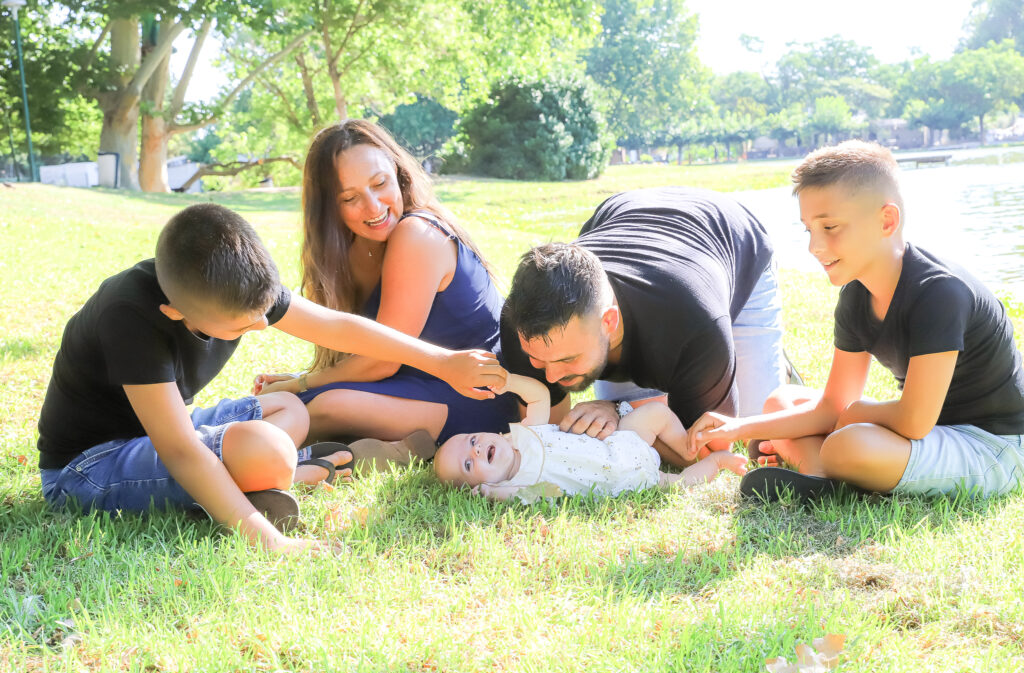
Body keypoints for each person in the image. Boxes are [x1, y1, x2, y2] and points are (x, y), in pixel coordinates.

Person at [36, 203, 506, 555]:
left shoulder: (235, 284)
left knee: (291, 409)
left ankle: (277, 476)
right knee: (264, 447)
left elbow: (339, 327)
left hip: (152, 434)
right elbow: (180, 449)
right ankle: (287, 475)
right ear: (175, 313)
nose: (261, 326)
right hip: (87, 469)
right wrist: (272, 543)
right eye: (243, 326)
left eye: (264, 314)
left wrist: (441, 362)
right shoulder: (130, 317)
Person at [688, 140, 1024, 501]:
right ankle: (823, 474)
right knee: (781, 401)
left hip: (991, 446)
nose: (814, 246)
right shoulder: (856, 295)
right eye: (809, 230)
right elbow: (833, 406)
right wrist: (740, 426)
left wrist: (859, 412)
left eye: (830, 227)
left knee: (848, 444)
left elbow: (913, 420)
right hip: (926, 434)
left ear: (887, 220)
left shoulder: (938, 293)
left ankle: (816, 462)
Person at [254, 119, 516, 452]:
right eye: (350, 199)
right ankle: (391, 445)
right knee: (302, 405)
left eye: (380, 183)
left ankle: (240, 449)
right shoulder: (352, 250)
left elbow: (382, 361)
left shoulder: (416, 234)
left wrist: (299, 385)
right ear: (330, 207)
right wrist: (300, 382)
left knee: (324, 406)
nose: (374, 207)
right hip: (413, 384)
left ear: (398, 172)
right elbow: (366, 351)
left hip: (477, 397)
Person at [500, 187, 784, 467]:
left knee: (759, 442)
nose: (551, 375)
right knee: (627, 435)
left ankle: (754, 363)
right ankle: (717, 374)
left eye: (568, 359)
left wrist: (618, 412)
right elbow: (548, 442)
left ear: (608, 321)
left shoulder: (695, 325)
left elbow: (708, 449)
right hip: (626, 213)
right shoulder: (521, 322)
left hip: (731, 238)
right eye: (537, 359)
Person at [434, 373, 747, 501]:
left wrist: (509, 381)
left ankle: (687, 448)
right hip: (624, 484)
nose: (475, 451)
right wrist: (489, 493)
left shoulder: (525, 434)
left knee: (657, 414)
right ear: (481, 485)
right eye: (468, 464)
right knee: (678, 485)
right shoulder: (517, 485)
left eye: (473, 440)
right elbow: (517, 497)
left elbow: (541, 397)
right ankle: (717, 462)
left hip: (620, 443)